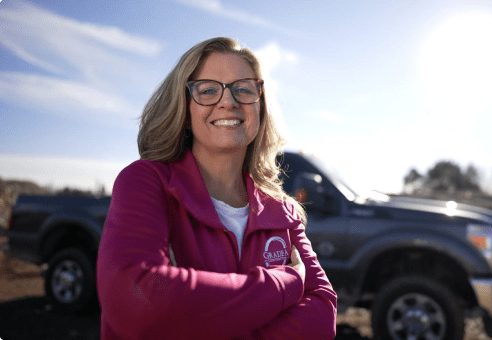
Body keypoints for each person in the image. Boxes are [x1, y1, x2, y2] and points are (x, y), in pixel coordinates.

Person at [96, 37, 337, 339]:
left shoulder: (283, 210)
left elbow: (322, 316)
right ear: (184, 112)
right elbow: (135, 304)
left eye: (244, 89)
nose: (228, 101)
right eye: (208, 90)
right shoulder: (146, 182)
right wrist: (283, 284)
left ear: (259, 109)